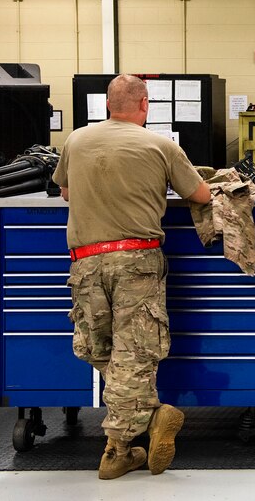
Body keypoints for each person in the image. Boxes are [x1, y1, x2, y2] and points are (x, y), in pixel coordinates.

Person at [54, 74, 211, 480]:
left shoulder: (75, 140)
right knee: (133, 354)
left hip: (86, 261)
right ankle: (151, 418)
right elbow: (200, 195)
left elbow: (66, 193)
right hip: (137, 261)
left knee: (94, 347)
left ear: (108, 105)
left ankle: (118, 447)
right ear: (145, 105)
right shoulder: (160, 145)